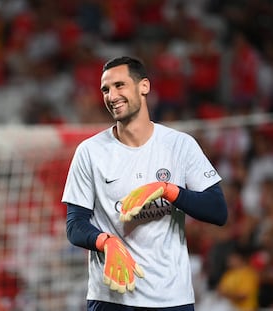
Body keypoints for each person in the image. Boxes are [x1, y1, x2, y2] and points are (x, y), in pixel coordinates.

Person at [62, 56, 228, 311]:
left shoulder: (179, 145)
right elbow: (75, 225)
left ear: (144, 87)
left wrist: (168, 190)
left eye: (120, 85)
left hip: (172, 298)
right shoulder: (90, 151)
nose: (111, 95)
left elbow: (217, 210)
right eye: (106, 89)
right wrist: (106, 242)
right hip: (111, 297)